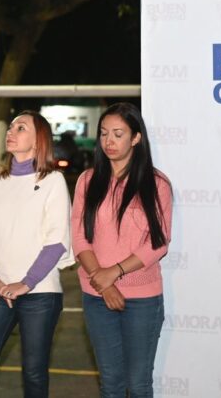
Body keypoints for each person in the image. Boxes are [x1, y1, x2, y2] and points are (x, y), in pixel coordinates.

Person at [0, 111, 75, 397]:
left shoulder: (53, 181)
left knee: (34, 376)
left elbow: (57, 241)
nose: (11, 131)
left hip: (40, 294)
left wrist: (26, 283)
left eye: (21, 128)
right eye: (11, 126)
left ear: (38, 140)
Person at [70, 102, 172, 398]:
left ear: (136, 138)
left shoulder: (157, 183)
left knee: (138, 384)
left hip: (142, 299)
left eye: (118, 134)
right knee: (111, 384)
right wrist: (102, 282)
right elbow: (79, 237)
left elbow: (158, 242)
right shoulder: (87, 181)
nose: (109, 141)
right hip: (96, 295)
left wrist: (113, 273)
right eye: (103, 134)